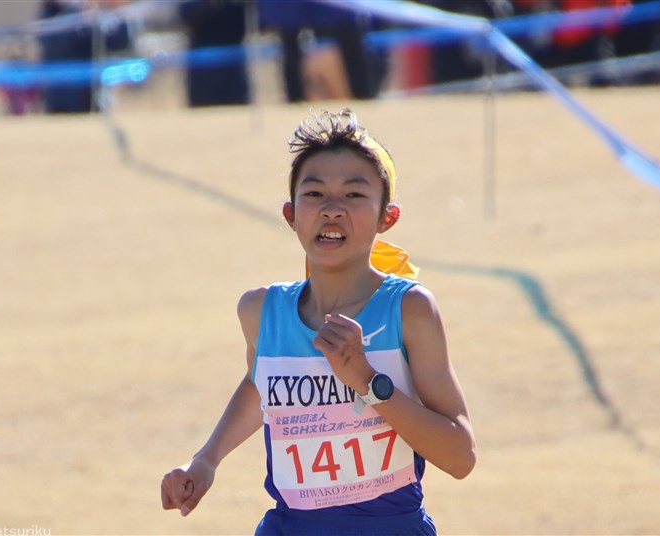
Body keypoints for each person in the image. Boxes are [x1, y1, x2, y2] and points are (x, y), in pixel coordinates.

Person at [161, 109, 476, 535]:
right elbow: (261, 383)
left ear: (388, 217)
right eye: (314, 194)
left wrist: (367, 379)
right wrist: (205, 460)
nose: (331, 209)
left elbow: (460, 457)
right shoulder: (260, 310)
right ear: (291, 214)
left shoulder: (409, 310)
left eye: (353, 195)